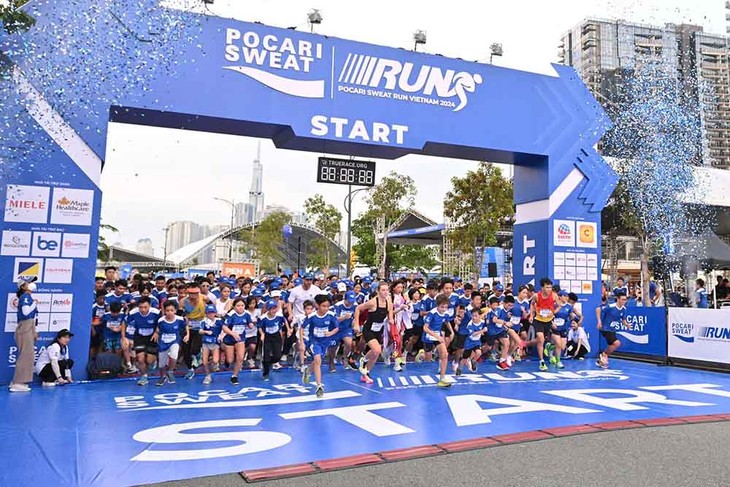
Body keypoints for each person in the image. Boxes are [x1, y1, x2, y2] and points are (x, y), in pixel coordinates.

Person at [354, 282, 394, 385]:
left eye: (387, 290)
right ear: (378, 291)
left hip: (379, 329)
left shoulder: (389, 302)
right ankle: (364, 359)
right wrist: (356, 324)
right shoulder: (373, 302)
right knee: (377, 349)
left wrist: (390, 319)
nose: (385, 292)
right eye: (383, 290)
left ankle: (366, 373)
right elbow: (358, 308)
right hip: (369, 329)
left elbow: (390, 311)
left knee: (376, 353)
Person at [302, 294, 339, 397]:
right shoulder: (312, 316)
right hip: (314, 341)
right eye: (323, 306)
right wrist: (301, 342)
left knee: (317, 361)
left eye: (327, 306)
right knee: (318, 360)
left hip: (325, 341)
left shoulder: (331, 315)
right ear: (318, 305)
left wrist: (330, 333)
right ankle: (319, 386)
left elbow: (337, 328)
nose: (326, 308)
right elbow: (301, 328)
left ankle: (308, 370)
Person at [9, 278, 39, 392]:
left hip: (29, 326)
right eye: (28, 282)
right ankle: (17, 382)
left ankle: (21, 381)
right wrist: (35, 303)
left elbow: (33, 316)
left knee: (29, 355)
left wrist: (35, 331)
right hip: (24, 327)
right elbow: (26, 312)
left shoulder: (28, 297)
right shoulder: (25, 297)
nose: (31, 284)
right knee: (25, 355)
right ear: (22, 286)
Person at [124, 296, 160, 386]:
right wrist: (123, 337)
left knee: (149, 361)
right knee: (140, 359)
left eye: (145, 307)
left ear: (150, 306)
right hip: (139, 336)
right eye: (140, 307)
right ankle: (144, 377)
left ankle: (153, 361)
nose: (143, 310)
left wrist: (156, 332)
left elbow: (161, 323)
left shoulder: (156, 313)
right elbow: (124, 323)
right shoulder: (133, 313)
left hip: (152, 337)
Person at [422, 294, 453, 387]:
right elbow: (425, 328)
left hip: (438, 336)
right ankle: (421, 355)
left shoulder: (446, 313)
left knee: (444, 354)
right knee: (428, 358)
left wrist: (451, 332)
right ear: (437, 305)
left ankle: (442, 379)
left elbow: (447, 321)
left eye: (446, 307)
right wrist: (436, 336)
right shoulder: (432, 313)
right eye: (442, 307)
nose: (444, 309)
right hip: (428, 335)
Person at [155, 301, 188, 386]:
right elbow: (158, 329)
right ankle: (162, 376)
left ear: (175, 311)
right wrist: (156, 333)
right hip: (163, 342)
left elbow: (186, 325)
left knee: (174, 355)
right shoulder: (161, 320)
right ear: (164, 311)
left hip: (174, 341)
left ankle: (170, 371)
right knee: (162, 363)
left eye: (171, 310)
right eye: (167, 310)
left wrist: (187, 335)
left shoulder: (180, 319)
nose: (169, 312)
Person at [529, 277, 557, 371]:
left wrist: (553, 313)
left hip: (548, 321)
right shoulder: (537, 296)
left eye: (550, 287)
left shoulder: (554, 296)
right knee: (540, 339)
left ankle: (524, 344)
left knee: (543, 340)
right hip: (538, 320)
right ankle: (541, 361)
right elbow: (532, 304)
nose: (549, 289)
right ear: (542, 288)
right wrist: (531, 315)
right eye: (547, 287)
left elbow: (560, 306)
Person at [222, 297, 251, 384]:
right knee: (230, 360)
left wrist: (251, 324)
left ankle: (234, 376)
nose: (240, 307)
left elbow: (249, 323)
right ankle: (226, 357)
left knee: (240, 358)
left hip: (240, 338)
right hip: (230, 339)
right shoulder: (231, 315)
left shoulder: (247, 314)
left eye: (242, 305)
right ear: (234, 306)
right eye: (238, 306)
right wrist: (232, 333)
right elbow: (224, 327)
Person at [597, 292, 629, 368]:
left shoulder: (624, 309)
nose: (624, 301)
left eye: (625, 300)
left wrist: (627, 324)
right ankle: (604, 355)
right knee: (617, 343)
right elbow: (598, 309)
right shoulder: (610, 306)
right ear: (618, 299)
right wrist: (599, 321)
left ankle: (602, 359)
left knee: (613, 345)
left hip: (612, 329)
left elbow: (623, 320)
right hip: (605, 328)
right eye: (623, 299)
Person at [181, 283, 206, 380]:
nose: (194, 295)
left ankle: (198, 354)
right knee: (186, 349)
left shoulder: (204, 298)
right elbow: (181, 315)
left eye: (196, 293)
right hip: (187, 326)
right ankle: (190, 369)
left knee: (195, 349)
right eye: (191, 293)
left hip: (199, 327)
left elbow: (212, 309)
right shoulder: (183, 302)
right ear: (187, 292)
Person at [258, 301, 286, 380]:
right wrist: (262, 334)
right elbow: (259, 326)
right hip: (267, 336)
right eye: (272, 309)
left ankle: (268, 363)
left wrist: (286, 330)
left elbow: (282, 322)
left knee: (277, 355)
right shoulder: (263, 318)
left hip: (276, 336)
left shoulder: (279, 316)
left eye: (275, 308)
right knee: (266, 356)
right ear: (268, 309)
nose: (274, 311)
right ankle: (266, 373)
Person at [456, 306, 486, 375]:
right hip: (469, 343)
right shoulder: (470, 324)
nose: (474, 317)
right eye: (473, 315)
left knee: (479, 352)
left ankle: (473, 360)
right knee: (464, 359)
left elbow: (485, 326)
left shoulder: (482, 322)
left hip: (477, 342)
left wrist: (484, 329)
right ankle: (459, 368)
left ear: (479, 316)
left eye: (476, 315)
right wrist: (482, 331)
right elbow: (474, 334)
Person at [333, 290, 358, 372]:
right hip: (336, 328)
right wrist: (343, 317)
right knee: (333, 346)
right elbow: (334, 319)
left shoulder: (355, 305)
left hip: (346, 328)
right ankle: (332, 360)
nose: (350, 303)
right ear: (345, 299)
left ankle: (345, 358)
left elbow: (355, 316)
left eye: (352, 301)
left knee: (349, 343)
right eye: (349, 301)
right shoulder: (338, 305)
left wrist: (354, 322)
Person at [486, 296, 512, 370]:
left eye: (511, 305)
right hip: (492, 331)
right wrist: (505, 323)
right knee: (488, 347)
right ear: (504, 303)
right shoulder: (499, 309)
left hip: (500, 330)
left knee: (506, 343)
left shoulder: (507, 310)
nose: (510, 307)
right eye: (508, 305)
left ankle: (502, 362)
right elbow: (494, 320)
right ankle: (475, 355)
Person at [200, 304, 223, 384]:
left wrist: (221, 336)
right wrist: (206, 331)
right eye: (209, 313)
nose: (211, 314)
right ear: (206, 313)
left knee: (215, 360)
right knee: (204, 361)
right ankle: (207, 376)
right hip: (205, 342)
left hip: (215, 342)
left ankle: (214, 364)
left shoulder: (219, 321)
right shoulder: (203, 321)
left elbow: (224, 329)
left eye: (212, 312)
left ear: (215, 313)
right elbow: (200, 330)